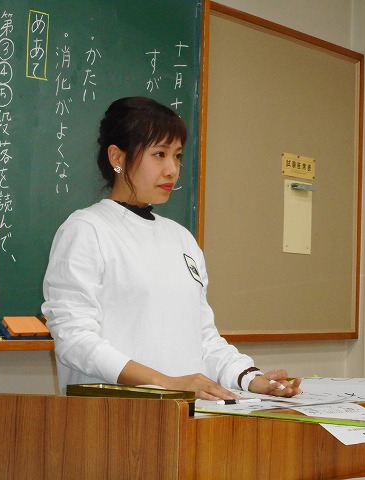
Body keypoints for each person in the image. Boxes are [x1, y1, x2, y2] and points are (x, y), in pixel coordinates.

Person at [42, 96, 301, 400]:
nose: (172, 170)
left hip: (184, 417)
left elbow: (202, 338)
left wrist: (251, 379)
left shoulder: (180, 238)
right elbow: (75, 340)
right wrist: (164, 382)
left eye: (177, 156)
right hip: (110, 421)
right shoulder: (86, 229)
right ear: (117, 157)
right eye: (159, 154)